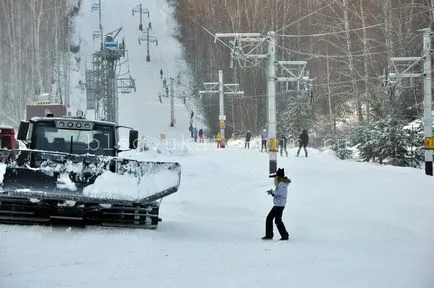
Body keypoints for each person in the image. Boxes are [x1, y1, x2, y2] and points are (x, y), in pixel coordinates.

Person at [262, 168, 290, 241]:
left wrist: (272, 193)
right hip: (277, 204)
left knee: (277, 220)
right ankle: (269, 235)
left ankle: (285, 235)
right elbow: (278, 192)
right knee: (269, 218)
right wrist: (272, 192)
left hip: (279, 205)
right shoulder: (281, 183)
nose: (275, 178)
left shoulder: (282, 184)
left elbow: (280, 193)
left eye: (276, 176)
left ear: (279, 177)